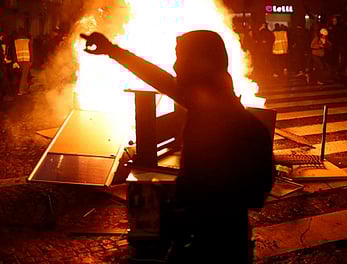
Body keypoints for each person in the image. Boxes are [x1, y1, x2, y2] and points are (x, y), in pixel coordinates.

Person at [81, 30, 275, 263]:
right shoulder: (214, 107)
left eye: (181, 58)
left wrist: (198, 199)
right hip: (222, 238)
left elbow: (252, 191)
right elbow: (160, 78)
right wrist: (112, 50)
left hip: (212, 244)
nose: (175, 67)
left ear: (202, 64)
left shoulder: (222, 117)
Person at [14, 28, 32, 95]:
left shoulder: (16, 41)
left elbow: (14, 51)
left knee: (23, 75)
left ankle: (25, 89)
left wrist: (15, 61)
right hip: (26, 60)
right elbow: (31, 50)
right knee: (24, 76)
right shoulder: (27, 41)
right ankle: (21, 90)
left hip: (19, 60)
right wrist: (31, 60)